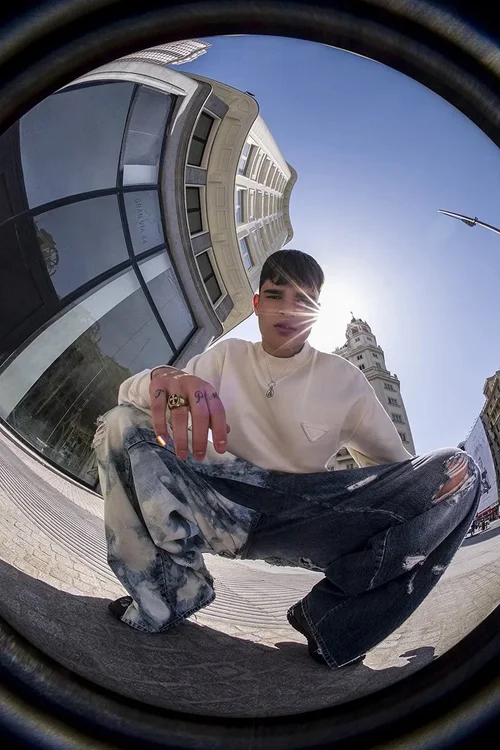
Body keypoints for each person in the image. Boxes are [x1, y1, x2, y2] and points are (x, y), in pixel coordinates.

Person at [93, 249, 481, 669]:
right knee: (120, 424)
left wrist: (431, 511)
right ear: (257, 304)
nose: (288, 311)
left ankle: (333, 621)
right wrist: (163, 378)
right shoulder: (226, 357)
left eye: (303, 300)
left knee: (458, 472)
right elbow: (150, 402)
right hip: (219, 499)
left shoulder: (344, 380)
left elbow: (403, 473)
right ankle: (169, 593)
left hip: (303, 515)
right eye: (275, 296)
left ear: (316, 312)